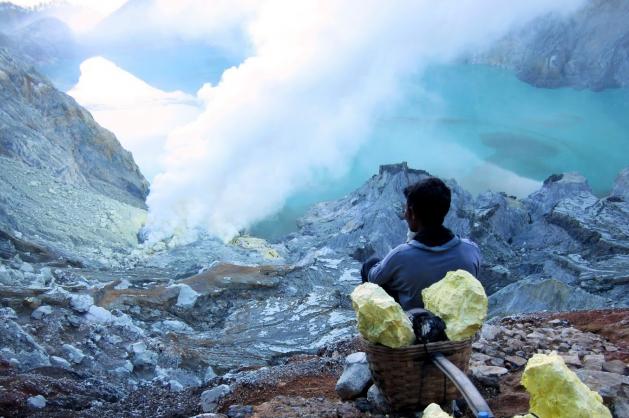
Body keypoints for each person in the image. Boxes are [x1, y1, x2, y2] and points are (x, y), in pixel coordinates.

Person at [361, 176, 481, 310]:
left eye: (406, 209)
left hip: (414, 324)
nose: (404, 213)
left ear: (412, 213)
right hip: (456, 323)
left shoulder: (400, 256)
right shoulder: (471, 249)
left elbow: (373, 278)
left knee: (370, 265)